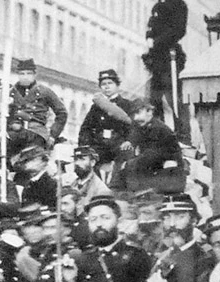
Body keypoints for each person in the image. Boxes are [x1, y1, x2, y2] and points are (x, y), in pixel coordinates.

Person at [106, 193, 215, 282]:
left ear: (194, 220)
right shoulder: (163, 256)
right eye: (167, 217)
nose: (171, 224)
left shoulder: (204, 261)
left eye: (179, 217)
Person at [143, 0, 189, 141]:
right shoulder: (157, 6)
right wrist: (149, 38)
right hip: (157, 59)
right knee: (154, 99)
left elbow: (178, 30)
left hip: (170, 57)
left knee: (174, 98)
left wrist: (156, 42)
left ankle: (183, 136)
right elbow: (151, 28)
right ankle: (157, 135)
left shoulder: (178, 4)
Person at [112, 98, 182, 190]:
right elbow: (135, 134)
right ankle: (114, 190)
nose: (135, 118)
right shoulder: (142, 125)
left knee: (132, 166)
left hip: (166, 166)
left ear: (149, 112)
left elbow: (153, 154)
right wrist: (130, 142)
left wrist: (130, 163)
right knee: (124, 163)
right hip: (152, 162)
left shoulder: (158, 128)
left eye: (138, 113)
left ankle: (133, 192)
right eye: (133, 114)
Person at [8, 58, 68, 147]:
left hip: (37, 133)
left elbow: (62, 113)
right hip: (16, 132)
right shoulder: (11, 92)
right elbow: (3, 113)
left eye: (29, 73)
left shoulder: (45, 91)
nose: (25, 77)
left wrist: (53, 135)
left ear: (34, 75)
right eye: (22, 74)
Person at [78, 71, 133, 165]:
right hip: (99, 145)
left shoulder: (127, 105)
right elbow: (86, 128)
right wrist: (85, 145)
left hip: (119, 145)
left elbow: (134, 126)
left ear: (117, 85)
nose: (107, 87)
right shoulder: (96, 107)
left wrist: (129, 141)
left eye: (110, 83)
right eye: (103, 84)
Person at [70, 146, 112, 210]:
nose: (77, 163)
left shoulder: (101, 189)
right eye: (75, 159)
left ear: (92, 163)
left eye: (82, 159)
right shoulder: (73, 183)